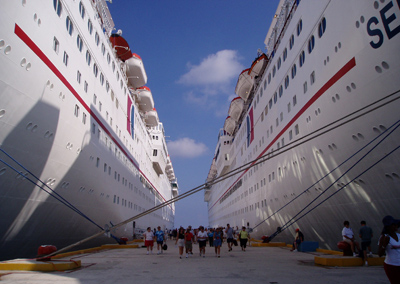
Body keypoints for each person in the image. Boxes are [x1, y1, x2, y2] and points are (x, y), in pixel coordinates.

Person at [378, 215, 400, 283]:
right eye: (393, 225)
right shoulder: (383, 237)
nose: (396, 226)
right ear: (388, 227)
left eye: (395, 224)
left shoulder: (399, 235)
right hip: (391, 266)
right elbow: (380, 254)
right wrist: (384, 245)